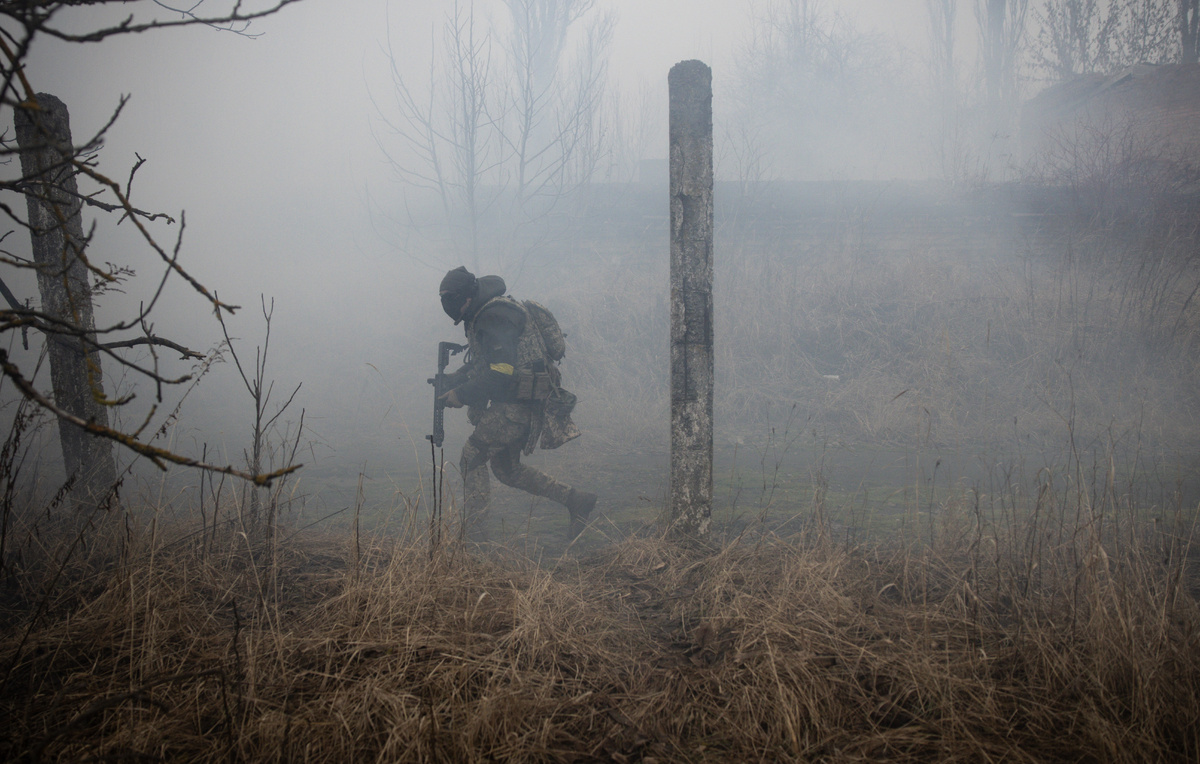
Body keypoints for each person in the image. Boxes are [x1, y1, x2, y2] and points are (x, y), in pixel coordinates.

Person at [437, 266, 596, 539]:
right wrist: (455, 379)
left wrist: (461, 395)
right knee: (507, 470)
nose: (449, 308)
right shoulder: (484, 312)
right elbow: (485, 363)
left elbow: (501, 371)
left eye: (452, 301)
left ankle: (474, 537)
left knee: (471, 457)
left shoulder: (494, 316)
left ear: (466, 297)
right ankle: (576, 500)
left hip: (517, 406)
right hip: (517, 401)